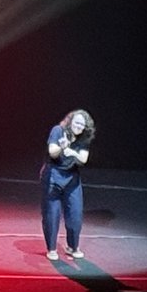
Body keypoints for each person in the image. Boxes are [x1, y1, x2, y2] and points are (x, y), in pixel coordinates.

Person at [42, 109, 95, 261]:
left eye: (82, 125)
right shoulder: (58, 131)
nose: (79, 126)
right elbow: (52, 152)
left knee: (75, 214)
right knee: (52, 214)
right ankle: (51, 248)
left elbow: (83, 159)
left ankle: (72, 247)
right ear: (70, 121)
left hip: (72, 178)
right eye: (77, 123)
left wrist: (71, 151)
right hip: (53, 175)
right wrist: (62, 147)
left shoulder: (84, 138)